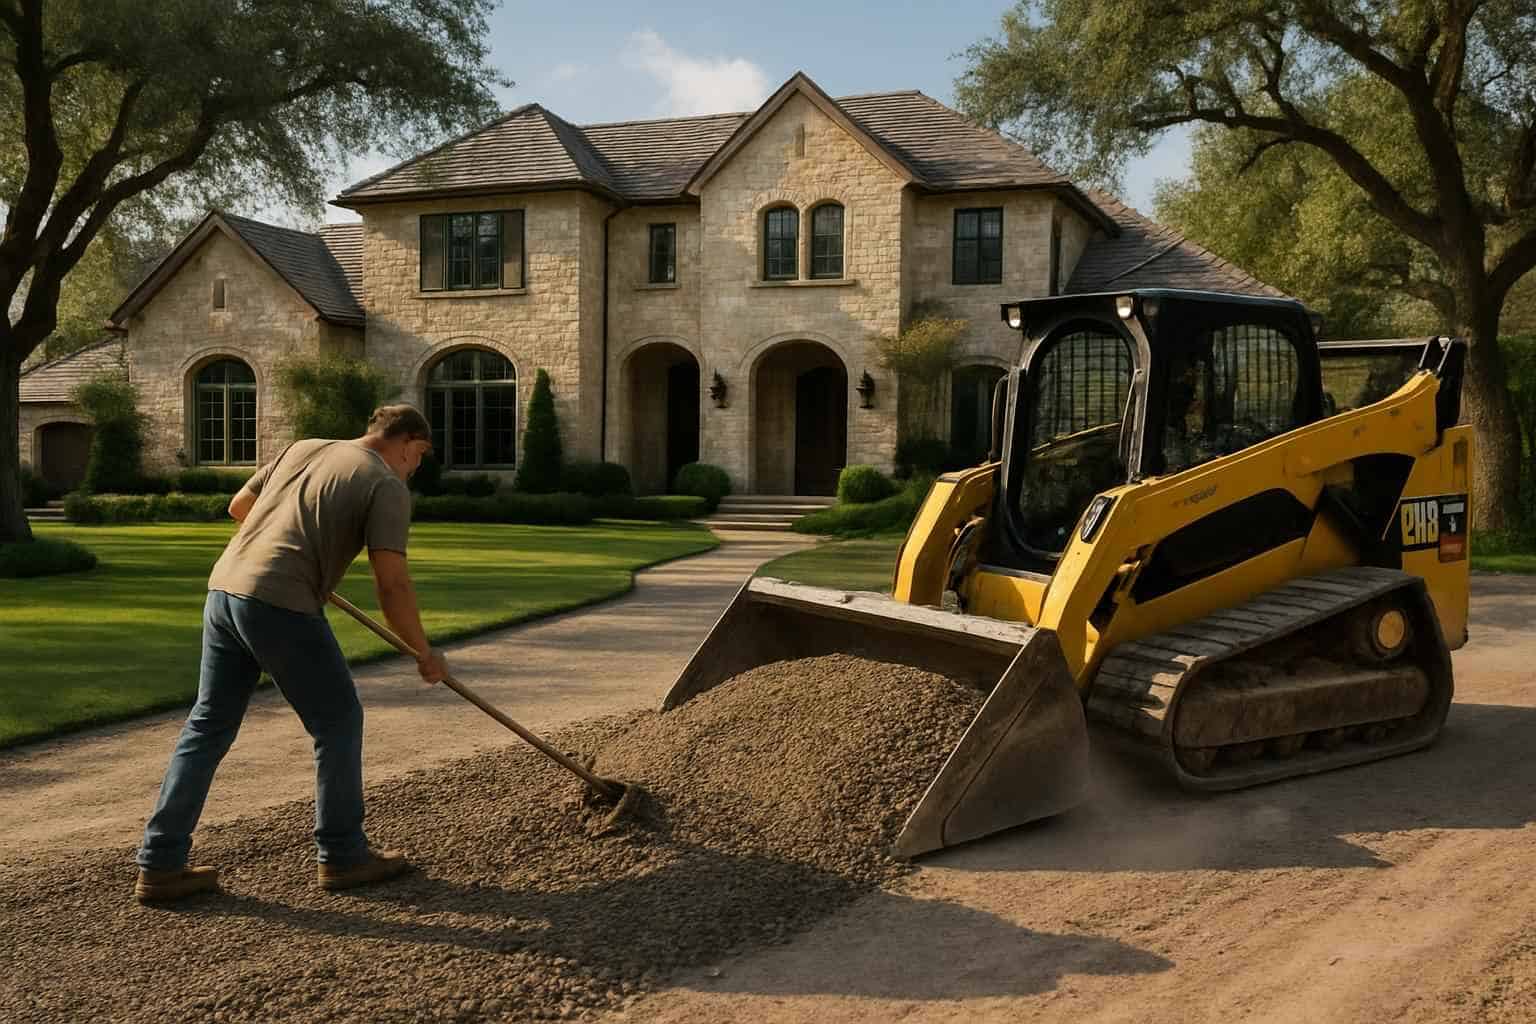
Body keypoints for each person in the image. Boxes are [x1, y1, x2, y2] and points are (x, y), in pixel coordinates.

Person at [133, 404, 449, 903]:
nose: (416, 466)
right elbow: (392, 584)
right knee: (338, 721)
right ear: (412, 445)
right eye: (420, 456)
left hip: (225, 591)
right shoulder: (385, 483)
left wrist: (294, 553)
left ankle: (160, 864)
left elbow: (239, 508)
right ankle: (343, 855)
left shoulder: (304, 447)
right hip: (279, 604)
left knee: (209, 724)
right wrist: (423, 651)